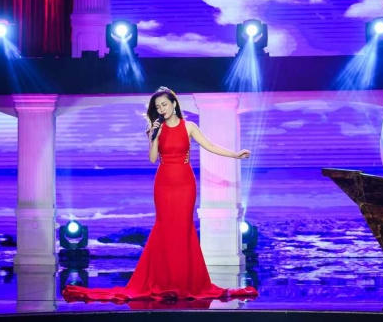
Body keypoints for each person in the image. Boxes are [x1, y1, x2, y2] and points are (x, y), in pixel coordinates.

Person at [62, 86, 258, 303]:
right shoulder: (156, 129)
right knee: (164, 228)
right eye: (158, 107)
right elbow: (153, 158)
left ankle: (185, 281)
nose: (162, 109)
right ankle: (163, 281)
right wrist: (154, 136)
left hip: (185, 183)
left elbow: (209, 145)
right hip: (164, 184)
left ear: (174, 104)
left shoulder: (189, 126)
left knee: (183, 229)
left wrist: (234, 155)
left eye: (164, 104)